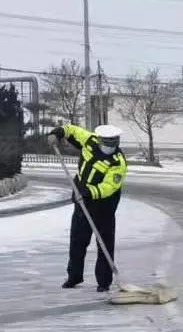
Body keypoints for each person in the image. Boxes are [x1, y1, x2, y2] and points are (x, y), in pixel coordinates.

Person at [50, 123, 127, 292]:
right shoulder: (90, 141)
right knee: (77, 240)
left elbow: (109, 187)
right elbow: (73, 131)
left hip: (104, 206)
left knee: (104, 244)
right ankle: (74, 276)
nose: (110, 147)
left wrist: (88, 192)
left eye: (113, 143)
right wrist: (58, 132)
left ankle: (104, 281)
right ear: (99, 140)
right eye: (107, 143)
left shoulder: (118, 162)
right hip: (81, 200)